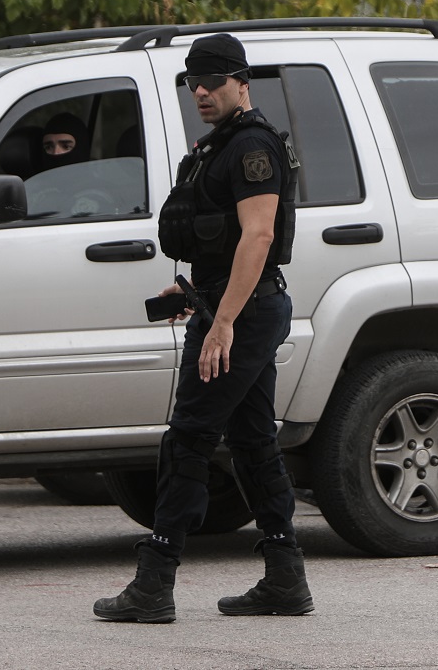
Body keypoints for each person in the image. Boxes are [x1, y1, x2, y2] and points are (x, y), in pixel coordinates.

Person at [95, 33, 311, 623]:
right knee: (250, 440)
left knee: (188, 437)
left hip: (241, 315)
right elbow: (222, 242)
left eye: (212, 82)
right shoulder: (220, 146)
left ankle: (154, 582)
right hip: (230, 305)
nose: (201, 92)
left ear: (241, 80)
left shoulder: (251, 148)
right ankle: (285, 577)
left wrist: (223, 325)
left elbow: (260, 237)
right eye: (194, 83)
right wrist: (196, 292)